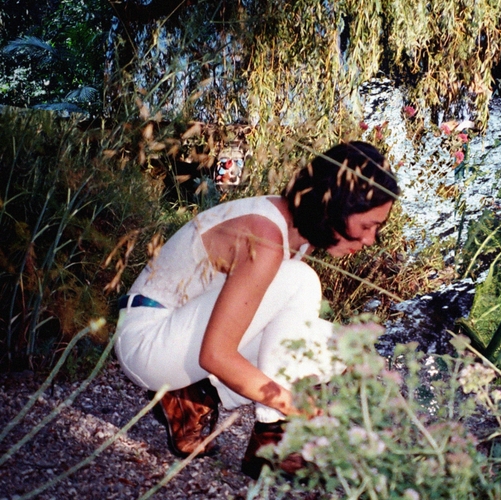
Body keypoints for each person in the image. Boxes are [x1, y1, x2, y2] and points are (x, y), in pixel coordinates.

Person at [114, 141, 399, 478]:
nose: (369, 241)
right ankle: (271, 438)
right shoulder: (266, 237)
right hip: (148, 339)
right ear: (334, 206)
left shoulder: (296, 233)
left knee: (333, 339)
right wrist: (296, 406)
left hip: (176, 336)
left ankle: (196, 400)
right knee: (302, 283)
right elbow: (215, 355)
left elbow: (277, 334)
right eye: (367, 226)